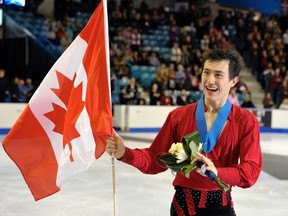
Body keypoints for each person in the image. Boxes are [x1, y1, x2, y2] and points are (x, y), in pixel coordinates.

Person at [106, 49, 262, 216]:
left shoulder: (246, 121)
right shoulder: (179, 116)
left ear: (233, 81)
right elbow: (155, 159)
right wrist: (124, 153)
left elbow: (251, 171)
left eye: (218, 75)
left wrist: (218, 172)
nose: (210, 80)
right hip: (183, 208)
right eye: (206, 72)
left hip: (221, 208)